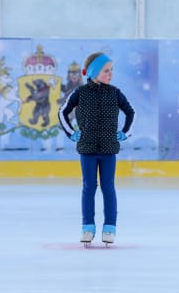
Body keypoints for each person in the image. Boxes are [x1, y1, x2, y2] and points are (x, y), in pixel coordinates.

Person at [58, 52, 135, 245]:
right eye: (106, 70)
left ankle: (110, 227)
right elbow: (62, 112)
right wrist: (71, 133)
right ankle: (88, 227)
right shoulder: (80, 93)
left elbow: (131, 112)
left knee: (108, 188)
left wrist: (125, 132)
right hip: (87, 149)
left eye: (111, 70)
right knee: (89, 187)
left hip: (109, 149)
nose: (111, 74)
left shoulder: (115, 93)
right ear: (93, 72)